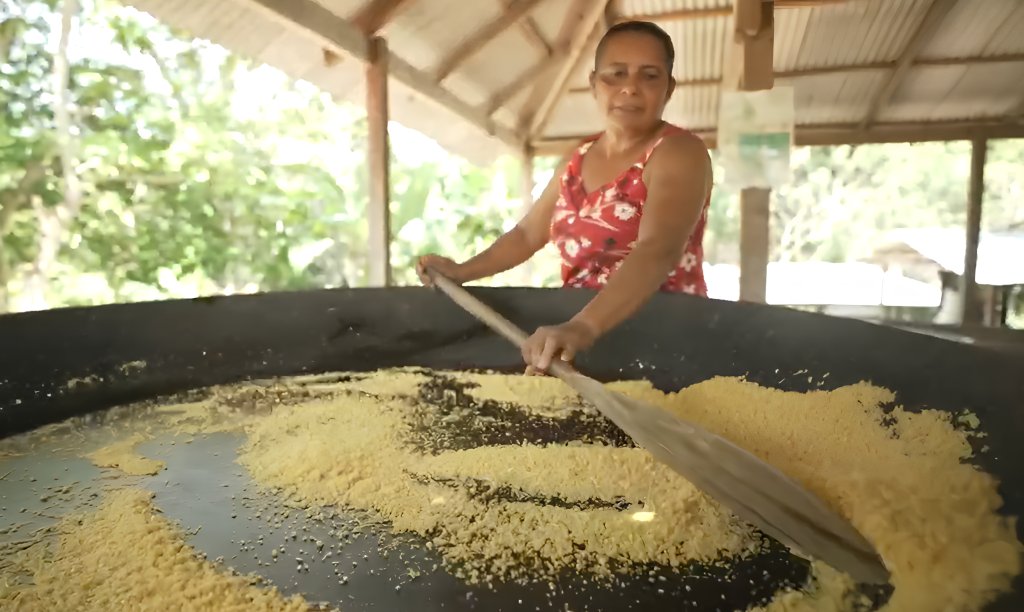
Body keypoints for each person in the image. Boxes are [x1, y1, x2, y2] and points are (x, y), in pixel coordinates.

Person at [417, 21, 713, 375]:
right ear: (593, 84)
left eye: (649, 76)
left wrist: (584, 327)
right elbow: (527, 235)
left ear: (669, 88)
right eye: (615, 74)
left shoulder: (679, 153)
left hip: (661, 341)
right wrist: (462, 271)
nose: (630, 88)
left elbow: (656, 249)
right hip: (580, 342)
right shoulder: (576, 160)